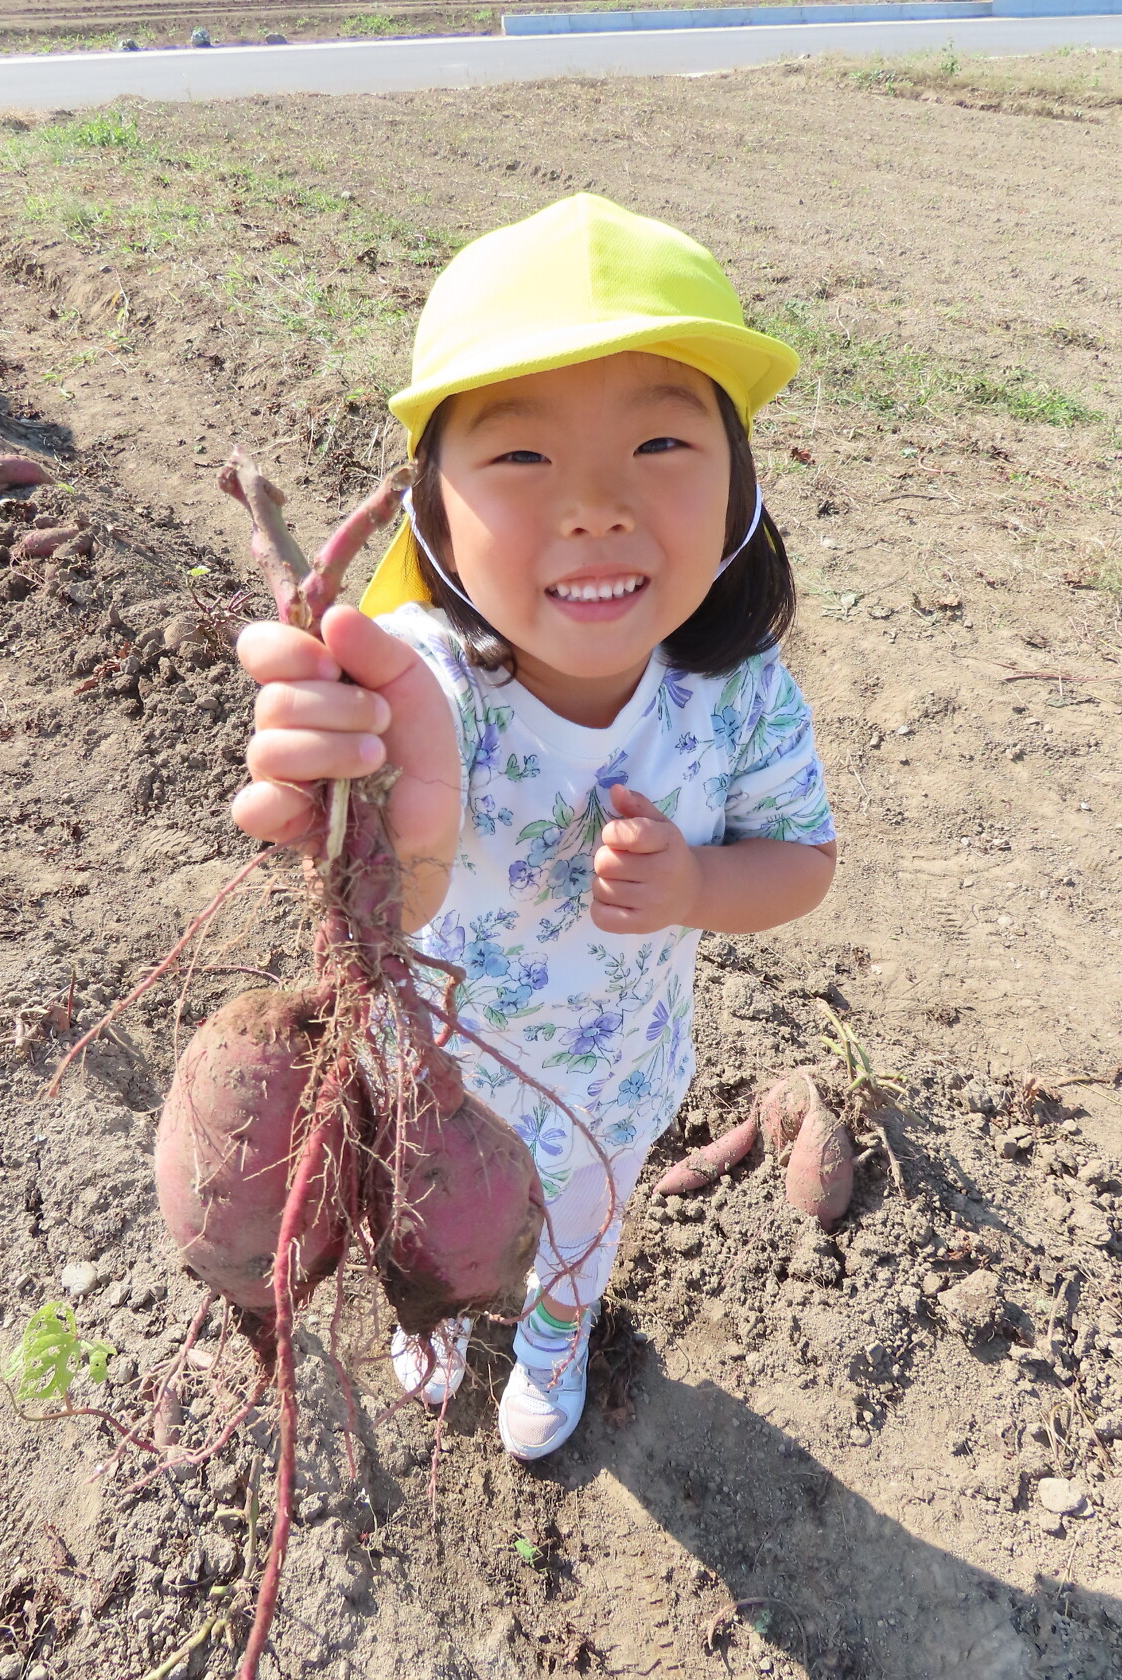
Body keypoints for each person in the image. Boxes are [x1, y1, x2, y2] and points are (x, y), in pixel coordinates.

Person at [231, 194, 836, 1462]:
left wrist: (697, 886)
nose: (596, 506)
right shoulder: (417, 687)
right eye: (519, 458)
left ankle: (557, 1339)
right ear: (433, 510)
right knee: (430, 1224)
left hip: (616, 1080)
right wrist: (360, 821)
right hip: (434, 1081)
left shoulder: (737, 692)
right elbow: (396, 905)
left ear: (740, 484)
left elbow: (803, 862)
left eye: (662, 444)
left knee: (579, 1236)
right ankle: (442, 1317)